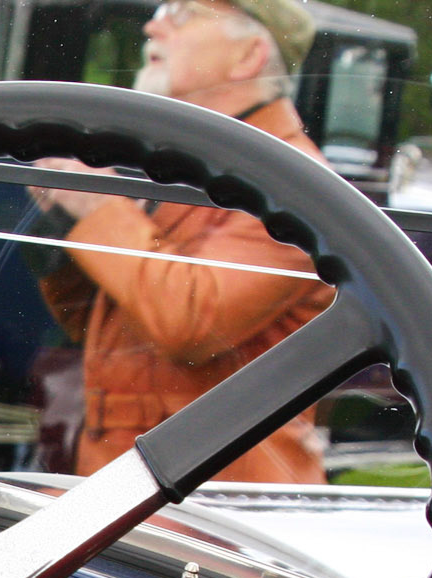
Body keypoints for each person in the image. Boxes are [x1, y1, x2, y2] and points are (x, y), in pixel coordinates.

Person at [29, 0, 331, 484]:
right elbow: (115, 335)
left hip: (215, 507)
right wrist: (60, 234)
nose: (153, 25)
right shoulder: (197, 164)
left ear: (248, 56)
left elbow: (191, 322)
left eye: (182, 13)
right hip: (147, 491)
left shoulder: (295, 183)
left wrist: (95, 208)